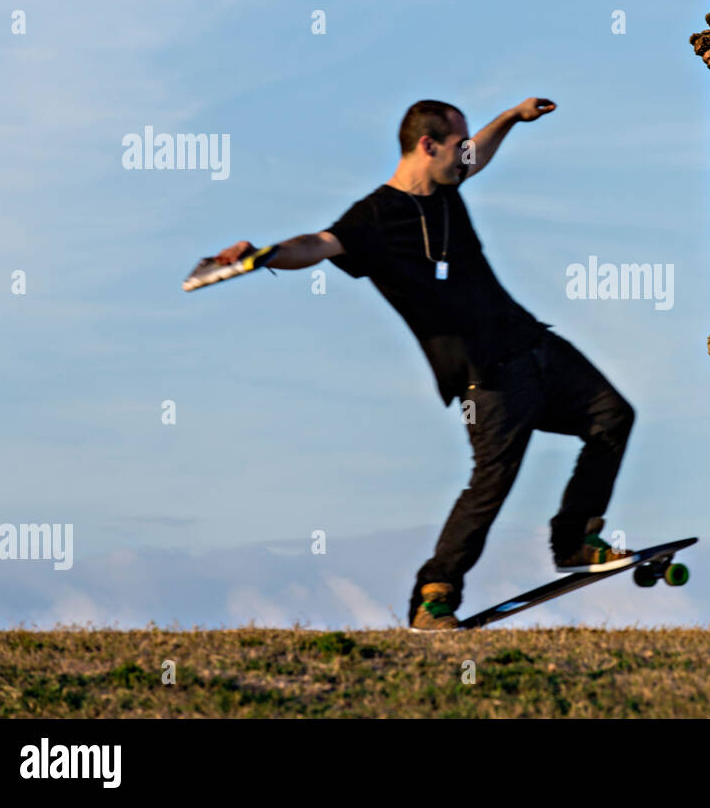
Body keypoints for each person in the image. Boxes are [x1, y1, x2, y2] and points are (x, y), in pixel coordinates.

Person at [212, 98, 637, 630]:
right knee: (491, 484)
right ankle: (434, 596)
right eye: (455, 147)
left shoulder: (447, 189)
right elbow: (317, 244)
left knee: (613, 417)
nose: (466, 158)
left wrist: (511, 116)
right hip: (486, 378)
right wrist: (263, 254)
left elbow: (475, 156)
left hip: (533, 346)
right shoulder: (373, 218)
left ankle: (575, 541)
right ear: (425, 145)